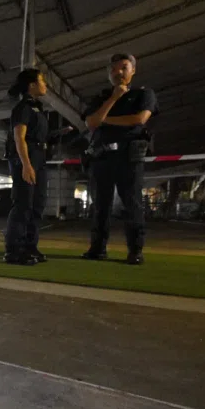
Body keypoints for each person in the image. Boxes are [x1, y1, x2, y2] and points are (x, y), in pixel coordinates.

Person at [81, 53, 159, 265]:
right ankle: (97, 248)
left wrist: (104, 120)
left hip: (129, 157)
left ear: (133, 70)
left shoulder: (144, 94)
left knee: (131, 204)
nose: (118, 72)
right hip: (102, 157)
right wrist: (113, 98)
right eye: (113, 69)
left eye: (124, 67)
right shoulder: (101, 97)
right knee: (100, 205)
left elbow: (140, 119)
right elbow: (91, 123)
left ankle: (135, 250)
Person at [3, 68, 50, 265]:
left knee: (37, 204)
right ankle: (14, 250)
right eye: (42, 81)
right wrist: (26, 165)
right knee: (23, 204)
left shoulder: (36, 108)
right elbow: (19, 138)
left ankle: (30, 246)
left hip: (38, 157)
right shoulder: (23, 108)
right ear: (32, 85)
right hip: (26, 157)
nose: (45, 84)